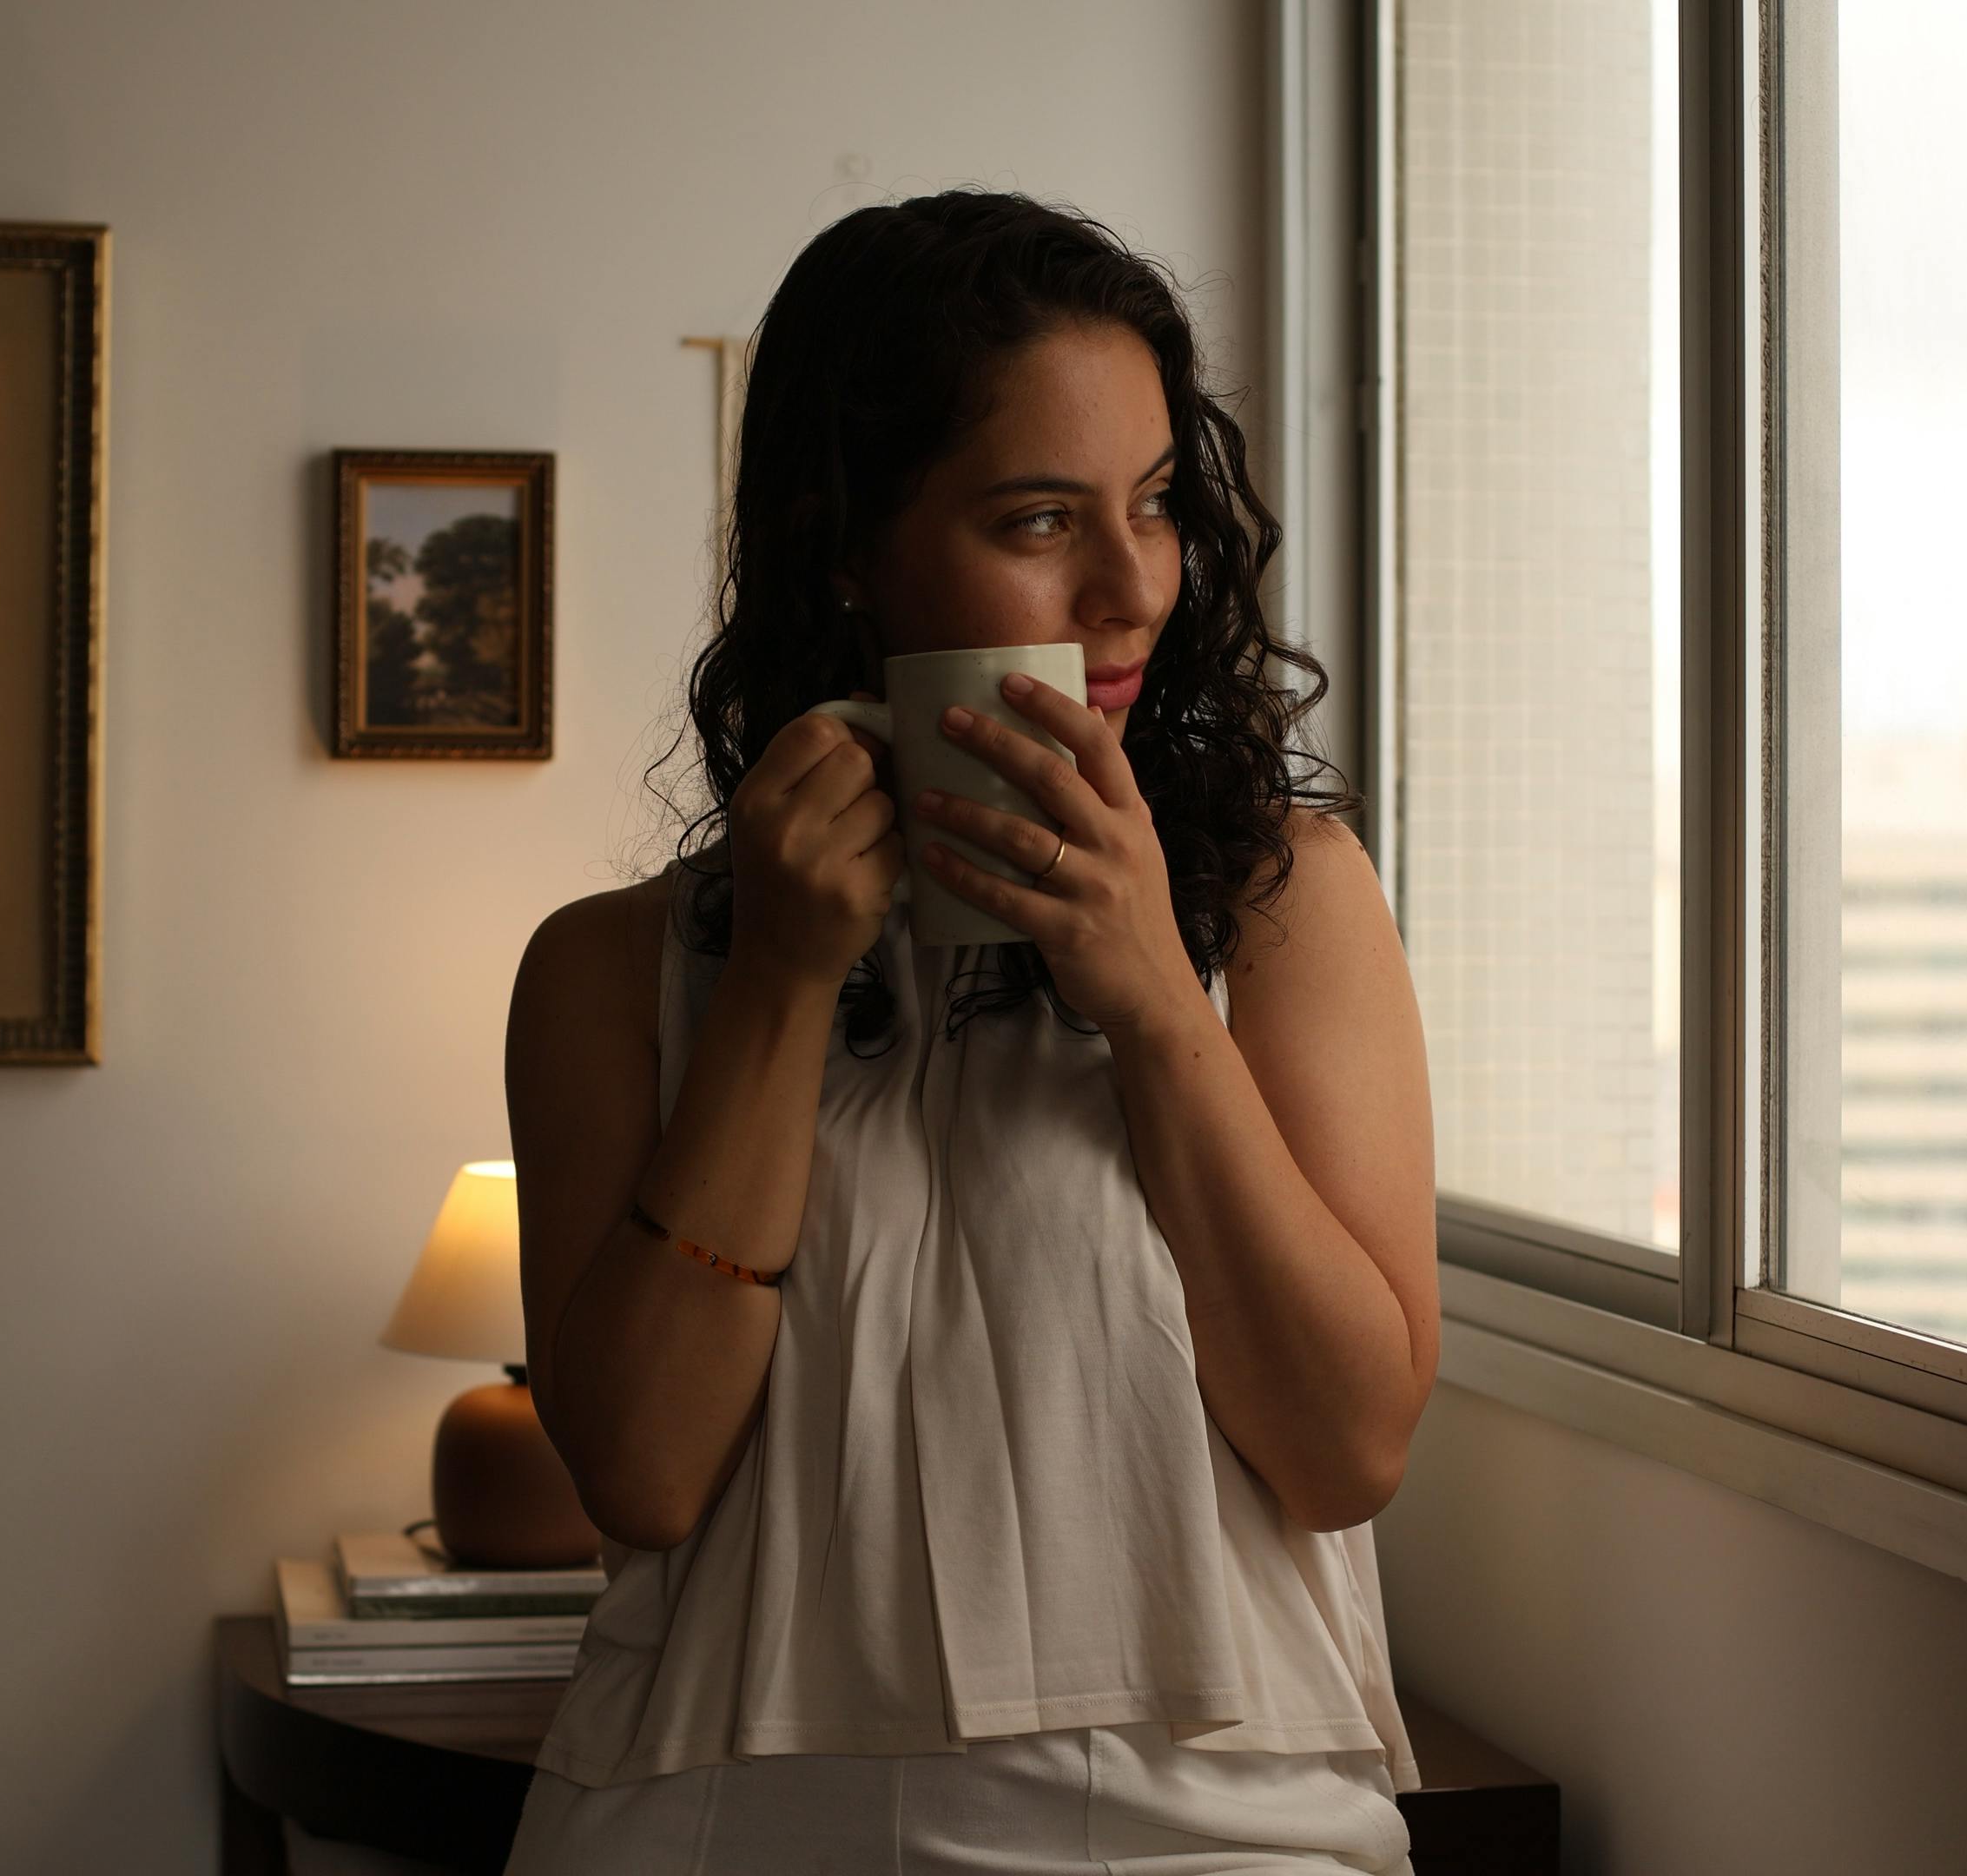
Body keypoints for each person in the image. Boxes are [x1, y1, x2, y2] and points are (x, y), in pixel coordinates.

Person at [498, 188, 1438, 1876]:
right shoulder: (611, 970)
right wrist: (781, 983)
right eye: (1035, 519)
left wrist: (1156, 997)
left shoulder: (1290, 907)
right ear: (846, 543)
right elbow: (637, 1474)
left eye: (1156, 505)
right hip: (710, 1826)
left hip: (1217, 1838)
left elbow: (1347, 1445)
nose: (1132, 584)